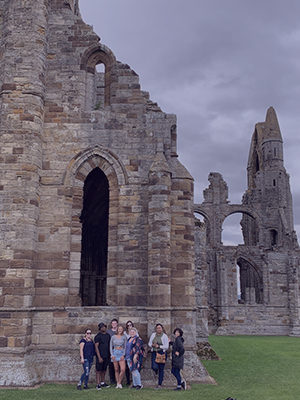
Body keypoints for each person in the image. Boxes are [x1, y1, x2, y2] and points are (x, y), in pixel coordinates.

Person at [148, 323, 169, 389]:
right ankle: (155, 371)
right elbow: (149, 343)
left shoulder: (164, 336)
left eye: (160, 328)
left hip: (162, 353)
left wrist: (159, 346)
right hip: (155, 352)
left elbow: (166, 346)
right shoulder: (153, 335)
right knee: (154, 367)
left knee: (161, 369)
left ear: (162, 329)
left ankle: (159, 385)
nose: (159, 329)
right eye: (157, 328)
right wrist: (152, 345)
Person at [94, 322, 111, 389]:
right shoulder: (98, 336)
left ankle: (103, 382)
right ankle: (98, 384)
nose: (103, 328)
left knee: (104, 370)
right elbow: (96, 347)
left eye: (104, 327)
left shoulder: (107, 335)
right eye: (101, 327)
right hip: (100, 355)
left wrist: (109, 355)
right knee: (98, 370)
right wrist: (99, 357)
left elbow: (109, 345)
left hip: (106, 355)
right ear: (99, 329)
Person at [107, 318, 118, 384]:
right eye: (112, 323)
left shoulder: (119, 331)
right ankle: (112, 379)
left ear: (117, 324)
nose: (114, 324)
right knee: (111, 365)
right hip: (111, 350)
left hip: (119, 350)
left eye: (115, 323)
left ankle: (118, 379)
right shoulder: (109, 331)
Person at [124, 320, 134, 385]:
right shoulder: (125, 333)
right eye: (128, 325)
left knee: (133, 367)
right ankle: (128, 380)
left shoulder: (135, 332)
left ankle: (133, 380)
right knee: (127, 367)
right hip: (126, 351)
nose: (129, 326)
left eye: (130, 325)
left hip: (133, 352)